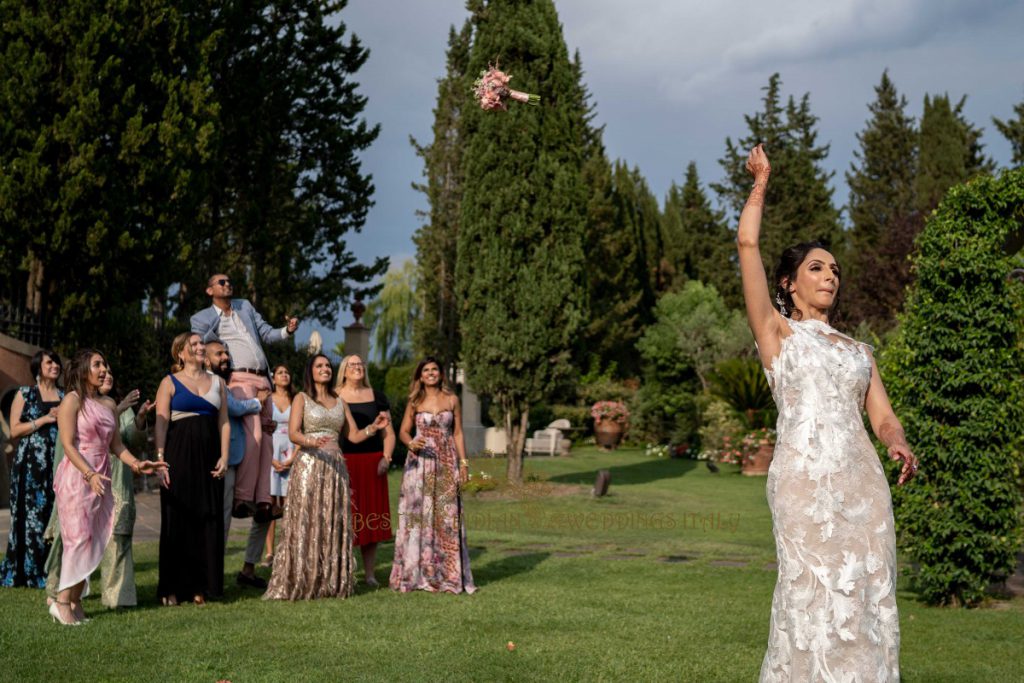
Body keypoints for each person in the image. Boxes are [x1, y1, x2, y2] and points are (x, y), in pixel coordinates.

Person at [736, 144, 917, 681]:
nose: (830, 276)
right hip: (805, 484)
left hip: (864, 488)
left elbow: (882, 416)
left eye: (835, 270)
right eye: (817, 268)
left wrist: (896, 441)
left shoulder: (859, 351)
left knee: (867, 596)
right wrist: (760, 182)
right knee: (811, 595)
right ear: (789, 284)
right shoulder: (777, 333)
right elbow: (747, 242)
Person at [51, 349, 166, 625]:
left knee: (93, 541)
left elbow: (116, 446)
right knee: (77, 540)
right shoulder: (72, 400)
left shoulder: (109, 404)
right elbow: (67, 444)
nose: (104, 369)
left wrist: (139, 464)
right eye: (97, 364)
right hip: (77, 476)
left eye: (105, 364)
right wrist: (88, 473)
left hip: (102, 478)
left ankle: (76, 601)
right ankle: (61, 602)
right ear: (82, 370)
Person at [264, 354, 387, 601]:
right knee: (308, 521)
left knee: (331, 522)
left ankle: (329, 580)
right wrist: (311, 441)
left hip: (335, 468)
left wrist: (373, 427)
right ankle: (303, 577)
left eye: (328, 366)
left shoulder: (339, 400)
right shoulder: (302, 398)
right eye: (319, 366)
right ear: (310, 371)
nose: (325, 369)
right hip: (310, 465)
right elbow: (294, 433)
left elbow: (352, 435)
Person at [190, 273, 297, 524]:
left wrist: (287, 331)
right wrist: (220, 317)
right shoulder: (202, 318)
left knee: (268, 437)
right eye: (222, 282)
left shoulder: (245, 306)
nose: (228, 284)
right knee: (255, 435)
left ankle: (262, 502)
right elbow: (199, 344)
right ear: (209, 291)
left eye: (229, 281)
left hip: (264, 379)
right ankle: (242, 498)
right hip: (239, 380)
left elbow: (267, 334)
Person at [154, 333, 230, 606]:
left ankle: (201, 585)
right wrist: (160, 459)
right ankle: (172, 588)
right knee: (178, 519)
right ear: (181, 354)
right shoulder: (169, 383)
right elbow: (161, 423)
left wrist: (224, 456)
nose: (200, 348)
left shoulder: (219, 383)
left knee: (206, 518)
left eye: (201, 345)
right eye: (194, 345)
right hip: (179, 456)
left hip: (209, 457)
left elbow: (224, 422)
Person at [390, 357, 475, 594]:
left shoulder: (452, 399)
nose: (430, 373)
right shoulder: (414, 401)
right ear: (420, 376)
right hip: (419, 464)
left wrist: (464, 464)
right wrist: (410, 442)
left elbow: (458, 433)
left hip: (446, 461)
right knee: (419, 515)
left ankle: (448, 574)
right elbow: (403, 431)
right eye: (426, 370)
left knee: (447, 517)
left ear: (441, 373)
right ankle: (418, 573)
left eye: (434, 369)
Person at [203, 340, 270, 589]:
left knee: (223, 520)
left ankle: (214, 576)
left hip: (229, 459)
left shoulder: (224, 383)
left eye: (226, 354)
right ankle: (209, 575)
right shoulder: (211, 382)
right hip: (216, 458)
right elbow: (231, 407)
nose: (225, 358)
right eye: (219, 354)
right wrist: (257, 403)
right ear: (206, 359)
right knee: (215, 518)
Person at [1, 349, 63, 588]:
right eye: (50, 362)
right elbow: (15, 430)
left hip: (57, 462)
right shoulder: (25, 394)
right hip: (30, 466)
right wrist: (45, 419)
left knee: (53, 515)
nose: (55, 365)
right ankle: (30, 571)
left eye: (57, 362)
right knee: (32, 517)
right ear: (39, 367)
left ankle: (53, 568)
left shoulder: (65, 395)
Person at [336, 355, 394, 587]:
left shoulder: (377, 396)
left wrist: (386, 458)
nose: (358, 367)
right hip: (344, 462)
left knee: (371, 519)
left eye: (361, 364)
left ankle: (369, 574)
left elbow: (388, 432)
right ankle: (345, 571)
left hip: (373, 464)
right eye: (352, 364)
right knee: (346, 518)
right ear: (344, 370)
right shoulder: (335, 395)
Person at [263, 363, 296, 567]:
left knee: (290, 504)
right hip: (271, 452)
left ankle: (288, 549)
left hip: (292, 452)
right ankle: (269, 553)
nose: (284, 375)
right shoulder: (267, 400)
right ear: (273, 378)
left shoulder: (297, 399)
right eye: (280, 372)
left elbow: (302, 428)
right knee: (270, 504)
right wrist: (270, 459)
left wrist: (292, 459)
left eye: (287, 372)